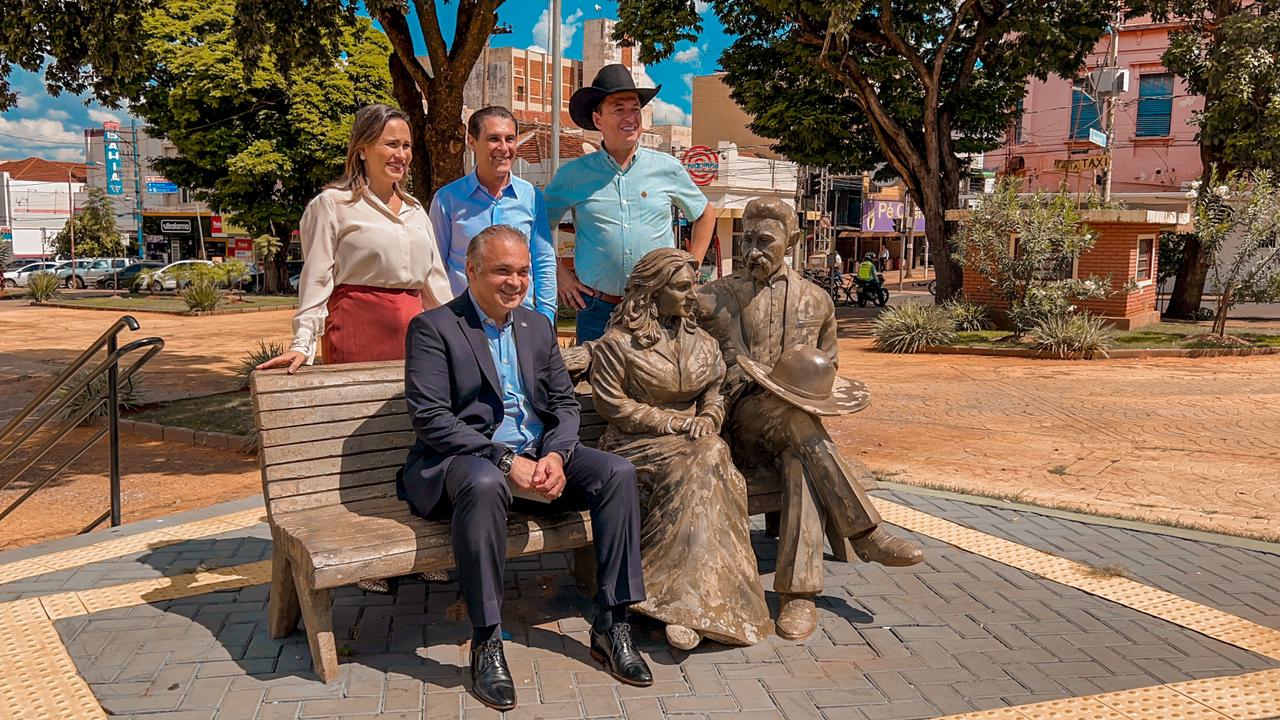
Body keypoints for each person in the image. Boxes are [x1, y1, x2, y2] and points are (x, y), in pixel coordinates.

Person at [397, 225, 653, 711]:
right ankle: (487, 638)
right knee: (486, 481)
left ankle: (613, 622)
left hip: (536, 458)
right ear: (471, 271)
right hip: (465, 463)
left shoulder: (535, 327)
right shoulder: (434, 328)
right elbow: (431, 419)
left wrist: (555, 454)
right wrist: (506, 458)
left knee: (617, 473)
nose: (514, 282)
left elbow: (564, 404)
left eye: (521, 271)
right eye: (501, 271)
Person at [699, 198, 923, 642]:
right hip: (733, 424)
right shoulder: (714, 297)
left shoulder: (817, 301)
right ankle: (865, 532)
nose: (752, 250)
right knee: (799, 425)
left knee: (800, 459)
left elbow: (829, 374)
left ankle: (799, 595)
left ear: (793, 242)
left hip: (794, 430)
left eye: (765, 241)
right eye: (747, 240)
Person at [256, 104, 454, 595]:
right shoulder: (332, 206)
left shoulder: (416, 210)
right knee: (363, 440)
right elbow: (317, 278)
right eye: (391, 143)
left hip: (415, 330)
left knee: (417, 434)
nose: (401, 154)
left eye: (406, 145)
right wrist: (303, 342)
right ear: (362, 149)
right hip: (356, 326)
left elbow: (434, 281)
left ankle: (421, 540)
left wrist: (463, 335)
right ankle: (371, 551)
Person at [589, 248, 771, 651]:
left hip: (695, 445)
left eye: (695, 285)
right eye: (682, 287)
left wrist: (709, 417)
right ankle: (689, 604)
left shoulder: (703, 342)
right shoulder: (618, 344)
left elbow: (714, 391)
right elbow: (611, 404)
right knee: (711, 459)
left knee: (709, 457)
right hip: (634, 447)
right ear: (653, 291)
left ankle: (692, 604)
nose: (693, 295)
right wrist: (671, 422)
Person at [545, 63, 716, 343]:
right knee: (596, 385)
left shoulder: (667, 168)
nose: (630, 117)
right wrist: (559, 274)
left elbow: (704, 214)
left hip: (657, 306)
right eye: (619, 109)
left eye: (635, 108)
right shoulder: (573, 176)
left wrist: (690, 267)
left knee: (660, 384)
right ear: (598, 119)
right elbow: (536, 226)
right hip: (596, 309)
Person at [432, 106, 557, 326]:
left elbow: (543, 260)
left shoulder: (531, 197)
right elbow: (435, 266)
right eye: (493, 139)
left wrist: (546, 315)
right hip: (463, 321)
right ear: (471, 142)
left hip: (521, 320)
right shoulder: (448, 199)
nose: (504, 148)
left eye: (510, 139)